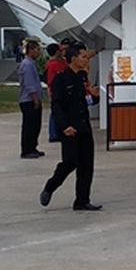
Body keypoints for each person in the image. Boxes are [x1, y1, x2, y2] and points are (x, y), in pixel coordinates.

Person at [40, 42, 102, 211]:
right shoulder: (60, 80)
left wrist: (95, 97)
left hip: (84, 127)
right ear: (73, 59)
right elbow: (57, 106)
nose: (85, 60)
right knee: (70, 162)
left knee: (86, 165)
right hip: (69, 129)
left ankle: (82, 200)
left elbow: (85, 101)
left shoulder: (82, 77)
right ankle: (51, 186)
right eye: (83, 57)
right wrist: (64, 126)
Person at [18, 40, 46, 160]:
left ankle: (33, 147)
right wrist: (35, 99)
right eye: (37, 50)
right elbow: (29, 84)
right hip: (29, 100)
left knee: (35, 125)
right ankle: (27, 149)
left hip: (33, 99)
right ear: (31, 50)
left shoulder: (31, 63)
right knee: (30, 126)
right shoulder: (27, 65)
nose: (39, 52)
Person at [45, 40, 71, 143]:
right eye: (60, 51)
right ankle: (54, 134)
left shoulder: (61, 62)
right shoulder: (53, 65)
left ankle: (58, 132)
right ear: (56, 52)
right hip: (56, 91)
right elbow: (51, 81)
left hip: (61, 91)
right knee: (55, 112)